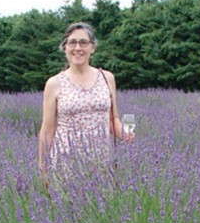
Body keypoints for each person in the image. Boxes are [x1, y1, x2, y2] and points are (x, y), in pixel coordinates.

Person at [37, 22, 132, 177]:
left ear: (92, 48)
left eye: (83, 42)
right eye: (72, 42)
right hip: (66, 164)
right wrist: (43, 168)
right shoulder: (54, 83)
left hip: (102, 162)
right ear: (65, 48)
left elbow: (112, 119)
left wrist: (125, 133)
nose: (78, 48)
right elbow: (47, 130)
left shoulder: (107, 78)